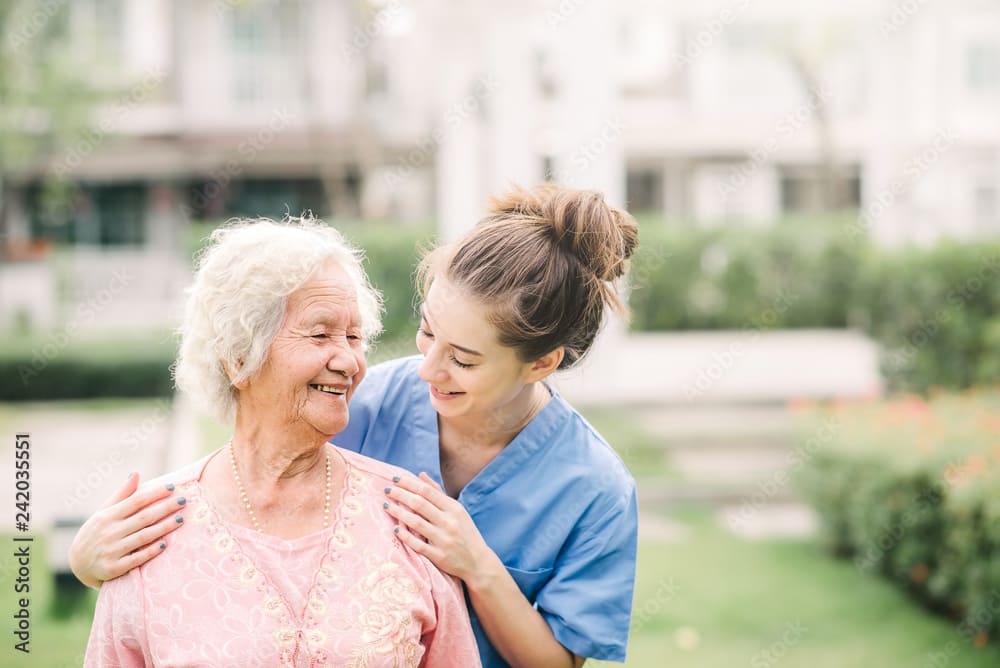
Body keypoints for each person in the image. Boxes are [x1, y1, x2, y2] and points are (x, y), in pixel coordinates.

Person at [73, 184, 639, 667]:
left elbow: (561, 662)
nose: (429, 368)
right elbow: (256, 458)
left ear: (541, 364)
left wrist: (478, 565)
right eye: (426, 332)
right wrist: (93, 559)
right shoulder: (365, 399)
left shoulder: (595, 489)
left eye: (463, 360)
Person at [83, 218, 481, 667]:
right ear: (239, 357)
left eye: (354, 337)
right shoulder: (149, 532)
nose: (349, 360)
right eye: (320, 334)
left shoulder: (407, 514)